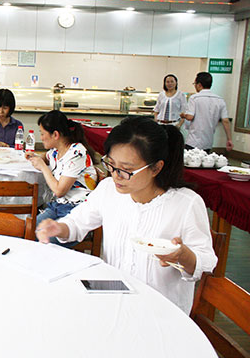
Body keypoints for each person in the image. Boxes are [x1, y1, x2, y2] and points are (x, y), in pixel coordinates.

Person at [36, 116, 217, 314]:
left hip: (162, 312)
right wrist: (59, 227)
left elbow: (206, 263)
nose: (116, 175)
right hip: (115, 303)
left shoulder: (186, 203)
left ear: (156, 168)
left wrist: (183, 256)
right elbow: (77, 222)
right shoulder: (108, 189)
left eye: (127, 170)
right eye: (111, 164)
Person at [26, 111, 97, 247]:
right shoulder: (56, 150)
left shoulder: (76, 153)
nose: (41, 137)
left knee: (42, 242)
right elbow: (46, 157)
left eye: (42, 134)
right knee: (27, 232)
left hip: (76, 211)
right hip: (57, 207)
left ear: (55, 135)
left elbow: (59, 191)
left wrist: (43, 167)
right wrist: (35, 157)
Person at [180, 72, 233, 152]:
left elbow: (190, 117)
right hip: (208, 142)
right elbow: (225, 121)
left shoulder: (194, 98)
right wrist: (229, 139)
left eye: (195, 84)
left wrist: (183, 115)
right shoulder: (220, 100)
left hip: (193, 141)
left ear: (199, 85)